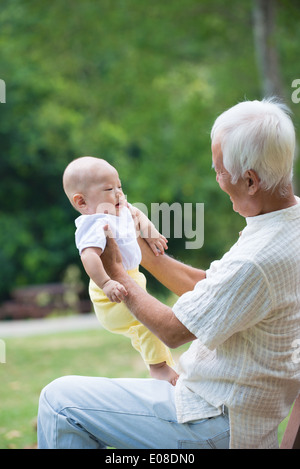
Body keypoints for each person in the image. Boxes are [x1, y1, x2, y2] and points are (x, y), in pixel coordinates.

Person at [38, 98, 300, 449]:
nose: (217, 177)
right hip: (246, 418)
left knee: (59, 401)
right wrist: (144, 254)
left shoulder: (256, 259)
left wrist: (118, 271)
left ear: (251, 181)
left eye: (218, 169)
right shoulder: (285, 227)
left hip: (213, 421)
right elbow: (215, 289)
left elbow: (175, 332)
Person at [62, 156, 178, 385]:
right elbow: (89, 256)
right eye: (109, 188)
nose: (119, 194)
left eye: (119, 186)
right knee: (149, 323)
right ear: (82, 202)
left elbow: (136, 213)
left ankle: (164, 366)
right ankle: (159, 368)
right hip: (109, 294)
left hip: (133, 278)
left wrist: (149, 230)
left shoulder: (119, 209)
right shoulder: (95, 223)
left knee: (146, 328)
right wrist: (106, 283)